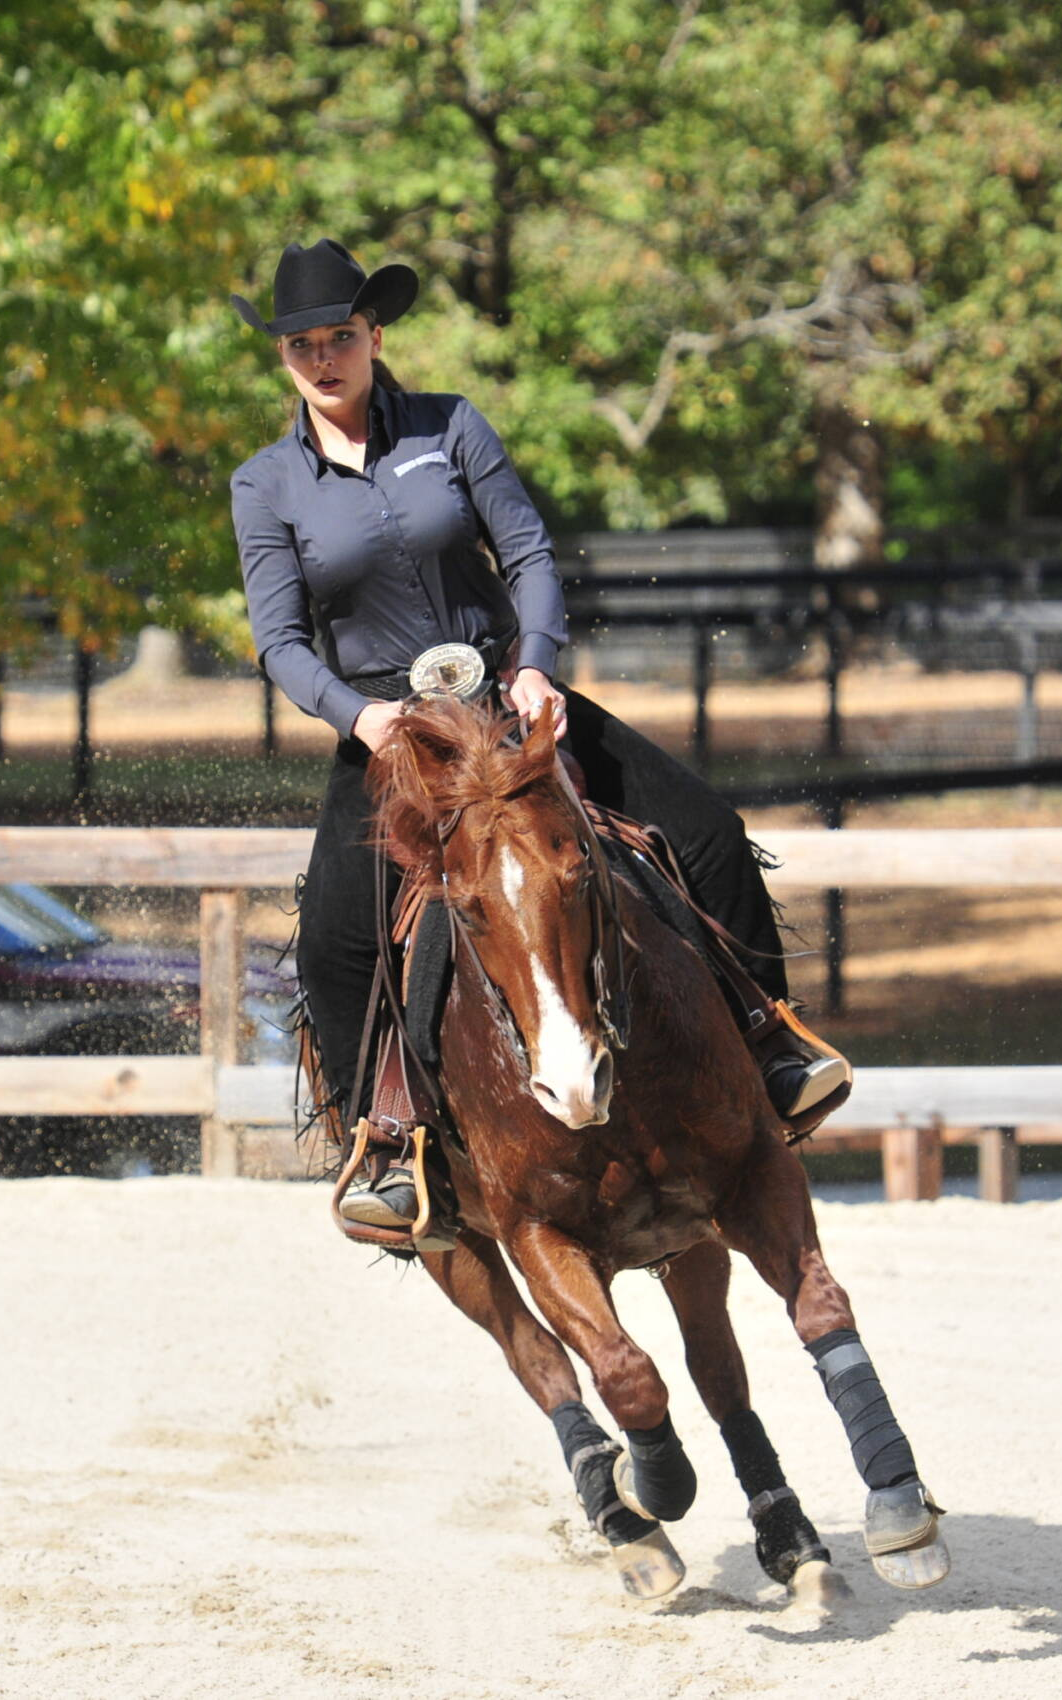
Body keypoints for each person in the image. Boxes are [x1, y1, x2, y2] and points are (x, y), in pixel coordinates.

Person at [227, 238, 849, 1231]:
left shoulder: (451, 425)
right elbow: (279, 640)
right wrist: (361, 715)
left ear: (374, 335)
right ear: (283, 359)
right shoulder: (263, 485)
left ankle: (769, 1043)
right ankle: (383, 1142)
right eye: (301, 345)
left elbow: (524, 549)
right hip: (391, 732)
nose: (323, 358)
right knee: (332, 942)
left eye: (340, 336)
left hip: (507, 693)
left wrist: (535, 662)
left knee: (707, 829)